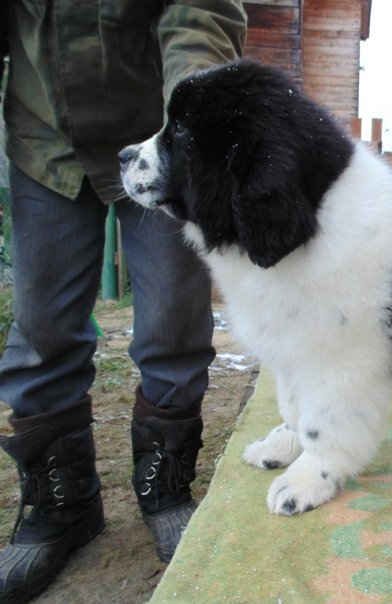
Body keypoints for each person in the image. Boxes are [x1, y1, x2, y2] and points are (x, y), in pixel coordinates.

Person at [0, 1, 247, 601]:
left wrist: (196, 112)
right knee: (42, 328)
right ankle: (62, 507)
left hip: (161, 138)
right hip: (45, 140)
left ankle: (165, 489)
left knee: (173, 322)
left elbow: (200, 11)